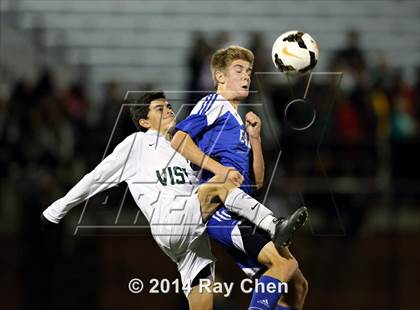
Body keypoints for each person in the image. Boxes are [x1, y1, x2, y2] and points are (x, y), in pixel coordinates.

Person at [41, 91, 307, 310]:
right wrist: (56, 210)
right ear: (144, 122)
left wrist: (252, 142)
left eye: (169, 106)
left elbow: (251, 183)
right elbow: (96, 178)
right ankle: (273, 224)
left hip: (191, 236)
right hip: (171, 219)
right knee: (219, 182)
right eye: (159, 108)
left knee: (203, 300)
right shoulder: (137, 144)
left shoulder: (187, 149)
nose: (169, 110)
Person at [172, 46, 308, 310]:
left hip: (242, 208)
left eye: (248, 71)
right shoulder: (214, 104)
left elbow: (257, 182)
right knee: (284, 265)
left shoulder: (238, 121)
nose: (246, 76)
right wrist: (218, 170)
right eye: (238, 70)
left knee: (298, 284)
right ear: (220, 77)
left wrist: (255, 139)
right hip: (220, 210)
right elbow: (179, 140)